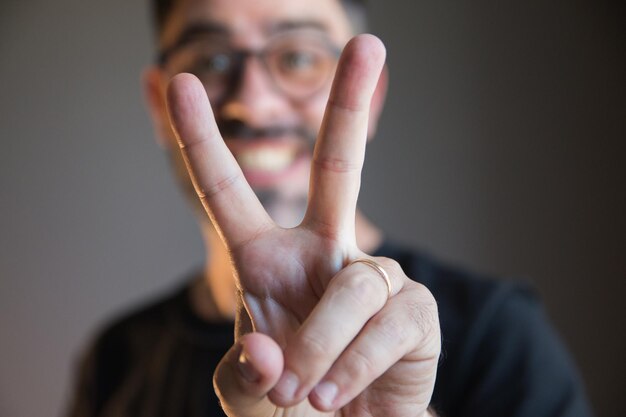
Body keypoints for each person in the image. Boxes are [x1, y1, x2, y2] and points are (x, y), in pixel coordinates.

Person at [66, 0, 593, 416]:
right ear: (159, 104)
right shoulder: (115, 358)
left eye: (297, 57)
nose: (253, 103)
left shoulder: (498, 336)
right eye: (210, 59)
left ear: (371, 99)